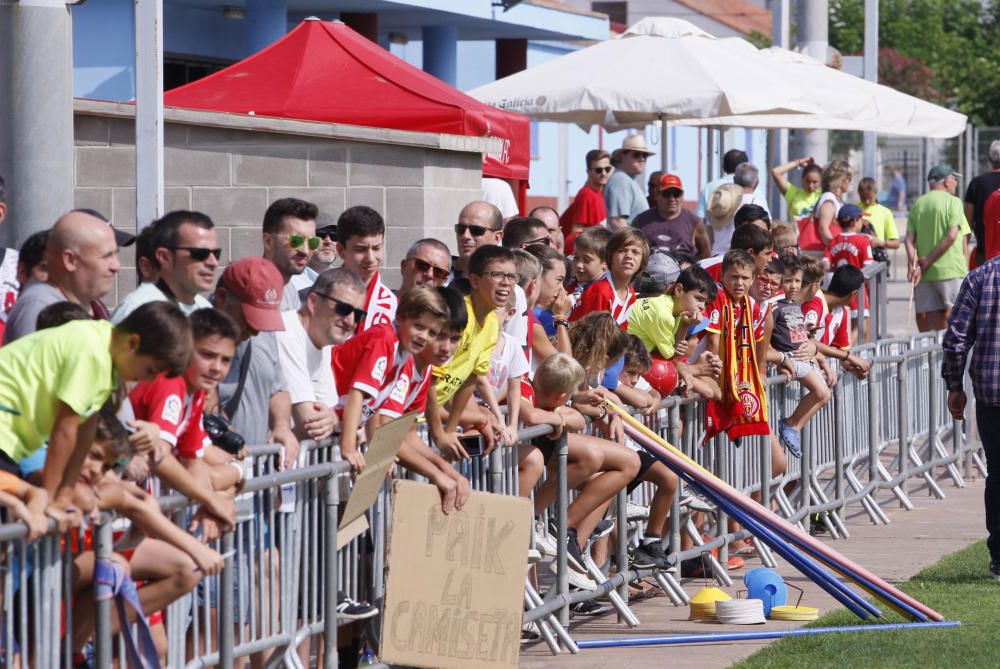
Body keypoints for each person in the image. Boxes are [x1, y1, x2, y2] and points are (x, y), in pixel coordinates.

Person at [0, 301, 190, 513]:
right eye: (150, 370)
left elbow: (85, 432)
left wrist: (64, 496)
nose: (149, 379)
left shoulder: (104, 352)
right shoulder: (91, 353)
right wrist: (51, 500)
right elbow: (65, 430)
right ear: (133, 343)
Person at [331, 287, 450, 473]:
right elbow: (357, 393)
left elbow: (375, 408)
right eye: (418, 326)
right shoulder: (384, 339)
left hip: (338, 426)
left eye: (432, 333)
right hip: (323, 414)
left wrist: (379, 451)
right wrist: (349, 448)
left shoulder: (404, 354)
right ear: (400, 317)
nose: (423, 336)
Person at [941, 254, 1000, 578]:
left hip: (992, 392)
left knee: (998, 475)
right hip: (992, 392)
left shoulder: (980, 277)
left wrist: (954, 384)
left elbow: (956, 339)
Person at [212, 257, 300, 468]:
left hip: (256, 475)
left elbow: (277, 388)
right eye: (250, 318)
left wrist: (282, 426)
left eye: (263, 319)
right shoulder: (196, 334)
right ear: (222, 298)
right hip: (216, 474)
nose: (256, 330)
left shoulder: (263, 333)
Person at [275, 267, 364, 440]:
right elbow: (310, 422)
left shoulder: (323, 343)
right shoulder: (287, 332)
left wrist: (334, 419)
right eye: (343, 308)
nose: (351, 321)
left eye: (358, 314)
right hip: (256, 463)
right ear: (313, 302)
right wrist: (336, 421)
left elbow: (330, 410)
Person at [4, 210, 121, 343]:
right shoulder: (39, 308)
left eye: (116, 254)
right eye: (106, 256)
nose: (116, 266)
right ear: (70, 260)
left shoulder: (78, 304)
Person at [769, 256, 830, 458]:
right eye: (788, 280)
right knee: (822, 393)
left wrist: (815, 351)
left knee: (824, 394)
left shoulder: (794, 305)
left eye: (798, 281)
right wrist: (779, 360)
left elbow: (801, 333)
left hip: (805, 358)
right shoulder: (774, 307)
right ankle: (792, 425)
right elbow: (765, 338)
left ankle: (793, 425)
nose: (794, 286)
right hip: (792, 358)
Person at [111, 211, 220, 323]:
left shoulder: (205, 309)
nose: (213, 262)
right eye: (200, 253)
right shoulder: (136, 309)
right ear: (164, 257)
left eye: (216, 253)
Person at [905, 165, 971, 332]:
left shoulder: (918, 204)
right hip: (951, 270)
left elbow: (908, 240)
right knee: (957, 318)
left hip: (926, 274)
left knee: (932, 319)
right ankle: (953, 357)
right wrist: (927, 261)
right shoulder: (954, 202)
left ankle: (934, 357)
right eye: (954, 179)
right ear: (947, 181)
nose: (956, 183)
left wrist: (916, 266)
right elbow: (951, 235)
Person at [335, 205, 397, 331]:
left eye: (376, 248)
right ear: (341, 250)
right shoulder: (318, 296)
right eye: (360, 249)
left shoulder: (392, 304)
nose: (370, 258)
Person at [570, 228, 648, 326]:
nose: (629, 256)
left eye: (635, 252)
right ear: (610, 256)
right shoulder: (601, 291)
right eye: (622, 250)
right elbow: (592, 336)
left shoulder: (631, 294)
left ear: (642, 260)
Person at [633, 174, 711, 259]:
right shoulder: (640, 221)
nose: (672, 199)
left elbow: (706, 254)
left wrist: (690, 267)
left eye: (676, 194)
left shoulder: (694, 222)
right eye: (666, 194)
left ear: (682, 196)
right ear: (658, 195)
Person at [261, 197, 319, 311]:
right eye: (296, 241)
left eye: (313, 242)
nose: (305, 251)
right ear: (268, 242)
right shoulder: (247, 287)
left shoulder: (290, 289)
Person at [559, 149, 611, 254]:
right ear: (588, 172)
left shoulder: (602, 194)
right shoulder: (586, 195)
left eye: (607, 169)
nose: (604, 173)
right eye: (598, 170)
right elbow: (575, 231)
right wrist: (601, 229)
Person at [450, 200, 503, 292]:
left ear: (497, 237)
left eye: (476, 230)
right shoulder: (437, 276)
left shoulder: (507, 287)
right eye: (461, 229)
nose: (465, 236)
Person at [963, 140, 1000, 268]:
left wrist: (964, 253)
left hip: (985, 254)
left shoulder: (977, 184)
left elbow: (967, 223)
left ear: (990, 159)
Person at [605, 135, 654, 229]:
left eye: (645, 155)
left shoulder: (626, 179)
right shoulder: (621, 180)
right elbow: (617, 221)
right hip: (630, 242)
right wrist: (632, 243)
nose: (642, 159)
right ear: (623, 156)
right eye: (636, 155)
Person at [806, 160, 853, 251]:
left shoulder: (835, 199)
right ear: (840, 179)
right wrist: (837, 249)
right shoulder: (829, 198)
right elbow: (823, 229)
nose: (851, 182)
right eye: (849, 178)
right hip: (824, 254)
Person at [289, 213, 339, 293]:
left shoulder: (344, 280)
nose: (328, 241)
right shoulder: (291, 283)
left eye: (334, 235)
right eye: (320, 234)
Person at [696, 148, 748, 218]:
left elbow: (699, 218)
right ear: (746, 168)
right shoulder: (752, 189)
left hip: (714, 228)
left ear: (723, 166)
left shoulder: (708, 188)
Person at [858, 177, 900, 257]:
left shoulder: (885, 212)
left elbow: (896, 243)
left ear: (876, 193)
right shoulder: (854, 209)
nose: (866, 201)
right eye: (863, 198)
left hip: (875, 259)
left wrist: (880, 243)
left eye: (870, 198)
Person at [705, 183, 744, 255]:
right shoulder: (741, 209)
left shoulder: (714, 210)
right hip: (732, 256)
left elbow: (709, 236)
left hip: (715, 253)